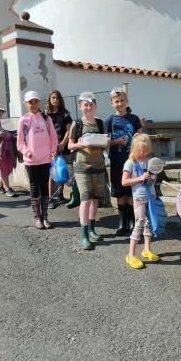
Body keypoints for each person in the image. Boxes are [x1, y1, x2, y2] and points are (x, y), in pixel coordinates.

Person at [68, 91, 108, 249]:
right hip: (82, 167)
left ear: (96, 105)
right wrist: (81, 145)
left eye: (91, 104)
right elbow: (70, 145)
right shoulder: (76, 124)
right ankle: (84, 235)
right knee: (85, 199)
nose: (89, 106)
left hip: (99, 166)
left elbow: (106, 143)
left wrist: (105, 142)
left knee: (95, 199)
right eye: (86, 104)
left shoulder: (100, 123)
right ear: (80, 106)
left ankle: (92, 229)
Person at [17, 91, 58, 229]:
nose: (33, 104)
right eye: (30, 102)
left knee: (45, 187)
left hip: (45, 159)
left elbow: (53, 137)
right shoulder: (23, 120)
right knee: (34, 187)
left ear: (39, 102)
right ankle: (37, 218)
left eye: (35, 101)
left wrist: (53, 150)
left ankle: (45, 217)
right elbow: (20, 143)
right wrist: (26, 151)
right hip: (31, 160)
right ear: (25, 104)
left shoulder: (46, 119)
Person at [105, 87, 142, 236]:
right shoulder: (109, 120)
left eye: (122, 100)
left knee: (131, 192)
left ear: (126, 101)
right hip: (117, 161)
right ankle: (122, 223)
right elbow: (105, 142)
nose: (119, 103)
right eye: (116, 101)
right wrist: (116, 142)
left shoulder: (134, 118)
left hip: (132, 162)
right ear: (112, 103)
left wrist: (135, 141)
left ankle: (133, 221)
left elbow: (141, 138)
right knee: (120, 193)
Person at [121, 133, 160, 269]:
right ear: (134, 148)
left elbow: (151, 179)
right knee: (139, 224)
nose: (143, 153)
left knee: (148, 224)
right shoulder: (130, 163)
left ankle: (147, 250)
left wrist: (153, 180)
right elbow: (124, 182)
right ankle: (131, 255)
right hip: (138, 198)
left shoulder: (148, 161)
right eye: (140, 150)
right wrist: (140, 178)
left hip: (150, 196)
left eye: (145, 149)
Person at [45, 90, 73, 208]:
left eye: (57, 98)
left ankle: (60, 195)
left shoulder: (64, 113)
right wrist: (52, 146)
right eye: (53, 98)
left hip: (63, 148)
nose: (55, 100)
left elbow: (69, 129)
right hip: (50, 148)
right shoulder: (46, 114)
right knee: (52, 173)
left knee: (61, 170)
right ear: (50, 99)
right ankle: (51, 197)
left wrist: (63, 144)